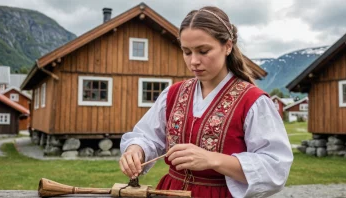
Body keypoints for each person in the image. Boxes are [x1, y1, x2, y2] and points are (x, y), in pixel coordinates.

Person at [120, 6, 293, 198]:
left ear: (227, 46)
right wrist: (137, 150)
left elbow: (275, 168)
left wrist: (213, 160)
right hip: (170, 191)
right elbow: (147, 136)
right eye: (186, 52)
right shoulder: (173, 94)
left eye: (203, 51)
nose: (194, 61)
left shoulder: (253, 101)